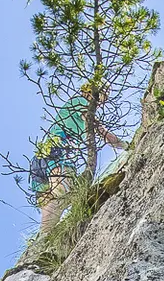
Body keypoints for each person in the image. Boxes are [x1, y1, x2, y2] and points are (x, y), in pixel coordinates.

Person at [29, 87, 127, 236]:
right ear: (91, 93)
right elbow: (100, 131)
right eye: (103, 95)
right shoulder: (82, 103)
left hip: (40, 157)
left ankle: (40, 244)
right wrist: (125, 145)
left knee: (50, 206)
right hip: (59, 149)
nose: (103, 101)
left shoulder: (71, 104)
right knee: (62, 194)